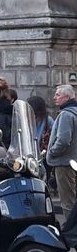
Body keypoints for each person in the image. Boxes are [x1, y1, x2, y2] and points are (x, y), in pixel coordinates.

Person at [47, 85, 77, 219]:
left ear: (67, 97)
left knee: (68, 202)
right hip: (73, 161)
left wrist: (52, 152)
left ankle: (71, 234)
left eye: (58, 95)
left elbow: (63, 140)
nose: (55, 98)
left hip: (64, 164)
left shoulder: (66, 115)